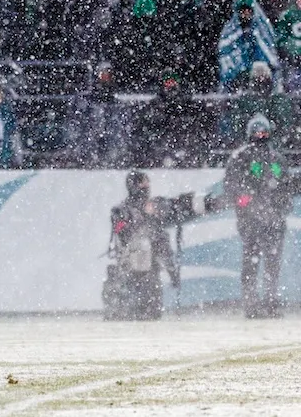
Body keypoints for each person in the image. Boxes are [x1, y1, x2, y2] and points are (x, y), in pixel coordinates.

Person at [103, 171, 213, 321]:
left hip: (151, 269)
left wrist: (196, 202)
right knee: (133, 307)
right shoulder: (122, 209)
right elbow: (120, 227)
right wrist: (137, 218)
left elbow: (174, 206)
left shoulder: (154, 206)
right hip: (131, 265)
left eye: (147, 183)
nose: (146, 187)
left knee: (151, 310)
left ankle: (145, 312)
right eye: (142, 183)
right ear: (133, 186)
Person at [224, 114, 294, 318]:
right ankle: (251, 304)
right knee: (251, 262)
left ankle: (271, 301)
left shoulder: (276, 158)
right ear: (249, 133)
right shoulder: (241, 157)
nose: (260, 135)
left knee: (272, 263)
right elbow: (233, 187)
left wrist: (280, 206)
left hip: (274, 220)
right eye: (257, 132)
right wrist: (247, 203)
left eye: (264, 132)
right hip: (251, 221)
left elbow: (286, 187)